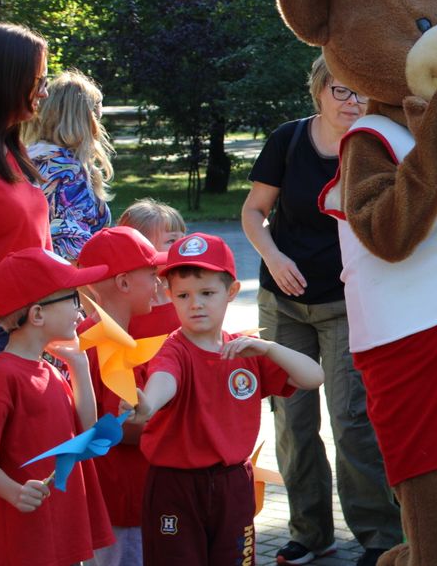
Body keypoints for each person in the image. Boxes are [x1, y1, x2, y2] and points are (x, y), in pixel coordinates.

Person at [240, 56, 400, 565]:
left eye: (359, 93)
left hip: (346, 303)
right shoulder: (288, 140)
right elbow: (253, 211)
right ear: (319, 92)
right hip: (283, 302)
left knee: (352, 420)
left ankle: (377, 536)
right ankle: (310, 533)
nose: (351, 102)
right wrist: (273, 255)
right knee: (292, 420)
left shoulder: (377, 147)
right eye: (340, 91)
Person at [124, 233, 325, 565]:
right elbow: (164, 381)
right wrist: (148, 405)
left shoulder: (245, 350)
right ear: (169, 295)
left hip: (233, 485)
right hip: (176, 487)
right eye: (184, 295)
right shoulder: (173, 351)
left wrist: (268, 347)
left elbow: (313, 377)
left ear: (231, 292)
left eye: (207, 293)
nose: (196, 304)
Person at [0, 247, 114, 565]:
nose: (80, 309)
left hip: (59, 526)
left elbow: (87, 430)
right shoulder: (2, 374)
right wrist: (12, 491)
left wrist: (79, 365)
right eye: (73, 298)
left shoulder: (49, 369)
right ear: (38, 314)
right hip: (23, 538)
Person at [76, 226, 168, 566]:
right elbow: (123, 426)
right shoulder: (109, 340)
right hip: (123, 497)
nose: (158, 284)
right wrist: (180, 425)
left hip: (119, 493)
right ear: (124, 283)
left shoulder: (101, 332)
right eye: (152, 274)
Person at [0, 23, 53, 358]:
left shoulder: (12, 149)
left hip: (35, 329)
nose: (44, 92)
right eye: (38, 81)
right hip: (0, 335)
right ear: (6, 79)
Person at [24, 70, 113, 261]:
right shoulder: (69, 172)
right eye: (97, 118)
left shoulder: (26, 157)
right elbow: (71, 251)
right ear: (86, 121)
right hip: (60, 283)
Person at [117, 198, 186, 338]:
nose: (182, 247)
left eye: (183, 239)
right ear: (139, 247)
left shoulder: (188, 291)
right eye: (171, 241)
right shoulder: (124, 300)